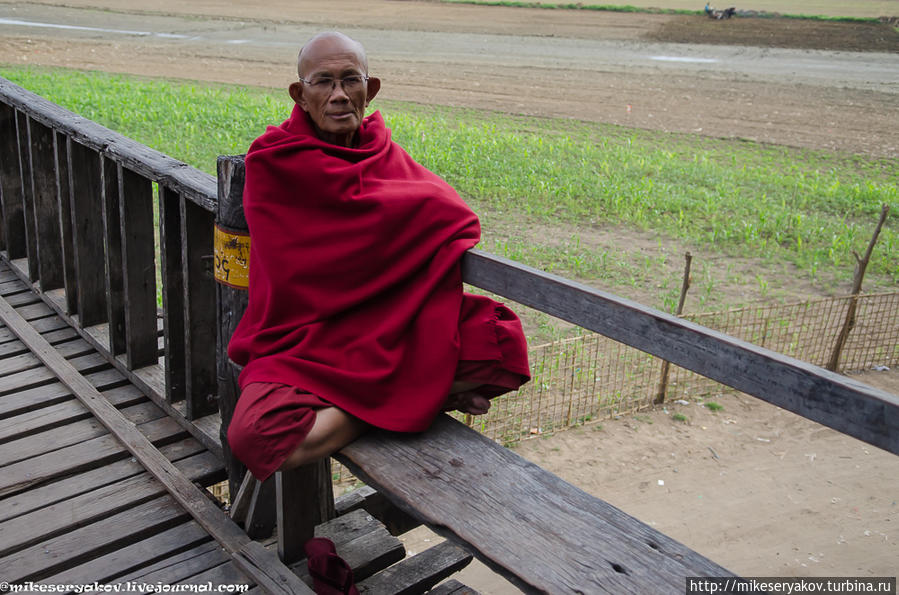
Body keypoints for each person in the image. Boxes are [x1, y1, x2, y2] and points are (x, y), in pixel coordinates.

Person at [227, 31, 531, 482]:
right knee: (258, 437)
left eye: (351, 81)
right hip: (305, 339)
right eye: (322, 82)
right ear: (300, 94)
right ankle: (409, 400)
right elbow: (298, 275)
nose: (338, 95)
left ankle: (398, 398)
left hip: (390, 329)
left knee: (503, 344)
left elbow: (453, 217)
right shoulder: (274, 163)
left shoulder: (382, 153)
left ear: (370, 90)